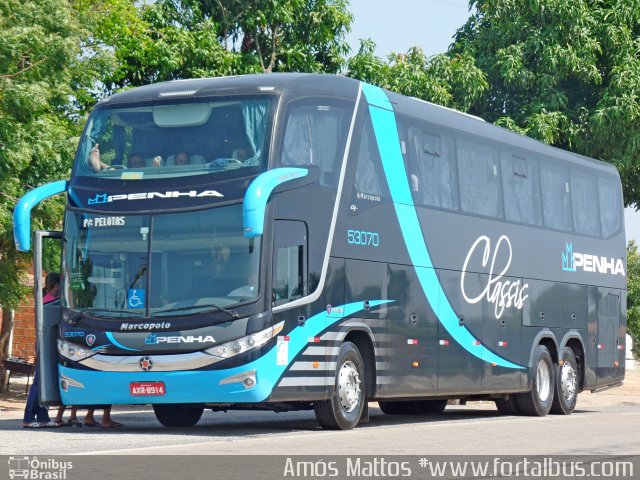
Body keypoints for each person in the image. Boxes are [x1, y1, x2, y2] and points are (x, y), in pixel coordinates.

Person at [23, 273, 61, 428]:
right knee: (39, 383)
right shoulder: (49, 303)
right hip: (44, 346)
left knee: (44, 382)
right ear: (56, 285)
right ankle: (28, 417)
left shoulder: (49, 301)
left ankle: (43, 417)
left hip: (48, 346)